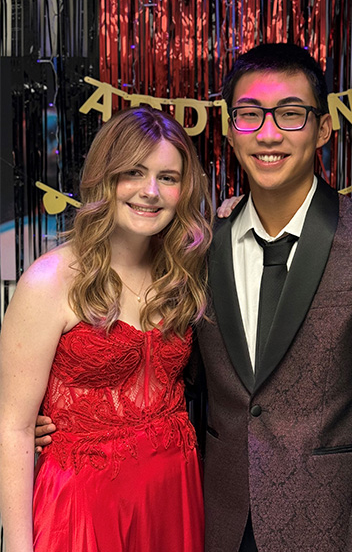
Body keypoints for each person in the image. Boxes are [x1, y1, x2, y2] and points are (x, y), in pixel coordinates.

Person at [36, 43, 352, 552]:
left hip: (327, 533)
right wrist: (69, 416)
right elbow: (177, 371)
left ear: (323, 128)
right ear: (230, 128)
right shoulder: (199, 247)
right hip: (212, 524)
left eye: (290, 114)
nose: (268, 134)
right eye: (249, 115)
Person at [0, 105, 212, 552]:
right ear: (105, 177)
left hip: (172, 498)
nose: (150, 192)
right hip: (83, 510)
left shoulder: (182, 275)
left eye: (168, 178)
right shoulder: (48, 281)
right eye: (134, 172)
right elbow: (14, 429)